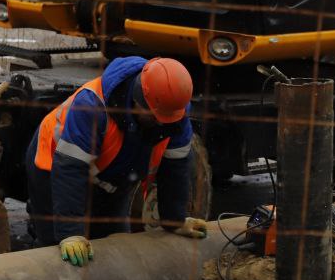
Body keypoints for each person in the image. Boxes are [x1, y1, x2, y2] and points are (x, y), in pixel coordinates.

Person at [25, 56, 207, 266]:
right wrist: (70, 232)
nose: (159, 124)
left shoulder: (174, 115)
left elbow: (176, 169)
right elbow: (70, 170)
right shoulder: (92, 106)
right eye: (154, 117)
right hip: (54, 165)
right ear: (139, 99)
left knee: (113, 240)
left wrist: (174, 220)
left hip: (110, 175)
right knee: (57, 247)